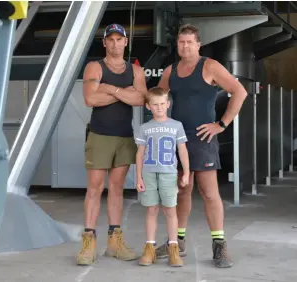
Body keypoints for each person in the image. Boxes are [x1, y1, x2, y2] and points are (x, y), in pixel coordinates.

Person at [155, 24, 248, 268]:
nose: (185, 46)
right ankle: (179, 241)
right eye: (181, 42)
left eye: (189, 42)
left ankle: (219, 246)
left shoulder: (210, 66)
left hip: (203, 138)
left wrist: (221, 124)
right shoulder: (170, 71)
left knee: (209, 193)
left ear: (198, 45)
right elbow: (156, 99)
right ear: (177, 45)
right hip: (177, 139)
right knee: (183, 190)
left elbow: (239, 92)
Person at [76, 23, 147, 265]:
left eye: (120, 39)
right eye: (111, 39)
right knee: (94, 189)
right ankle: (88, 243)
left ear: (126, 42)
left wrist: (111, 88)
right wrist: (123, 92)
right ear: (104, 43)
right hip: (100, 135)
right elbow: (90, 99)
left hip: (124, 137)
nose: (115, 44)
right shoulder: (95, 67)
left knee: (117, 189)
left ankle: (114, 244)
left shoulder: (135, 71)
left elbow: (140, 99)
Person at [135, 87, 190, 267]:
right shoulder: (144, 128)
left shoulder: (176, 125)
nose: (159, 108)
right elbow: (140, 153)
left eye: (162, 104)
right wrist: (138, 177)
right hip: (149, 173)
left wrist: (186, 172)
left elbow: (182, 150)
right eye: (155, 105)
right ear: (148, 106)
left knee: (170, 210)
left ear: (168, 104)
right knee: (151, 210)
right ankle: (149, 248)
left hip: (168, 173)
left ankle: (173, 248)